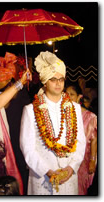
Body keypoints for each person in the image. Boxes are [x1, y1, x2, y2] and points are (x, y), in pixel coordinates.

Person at [20, 51, 86, 195]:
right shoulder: (31, 110)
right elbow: (27, 149)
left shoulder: (74, 108)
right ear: (44, 81)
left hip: (69, 177)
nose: (58, 83)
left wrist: (71, 167)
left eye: (61, 79)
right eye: (53, 79)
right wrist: (48, 172)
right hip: (42, 178)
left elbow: (81, 142)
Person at [66, 83, 97, 195]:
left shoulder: (90, 116)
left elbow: (94, 139)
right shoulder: (63, 114)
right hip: (67, 159)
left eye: (72, 94)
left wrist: (92, 160)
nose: (68, 97)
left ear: (79, 96)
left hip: (84, 159)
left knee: (80, 189)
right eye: (66, 94)